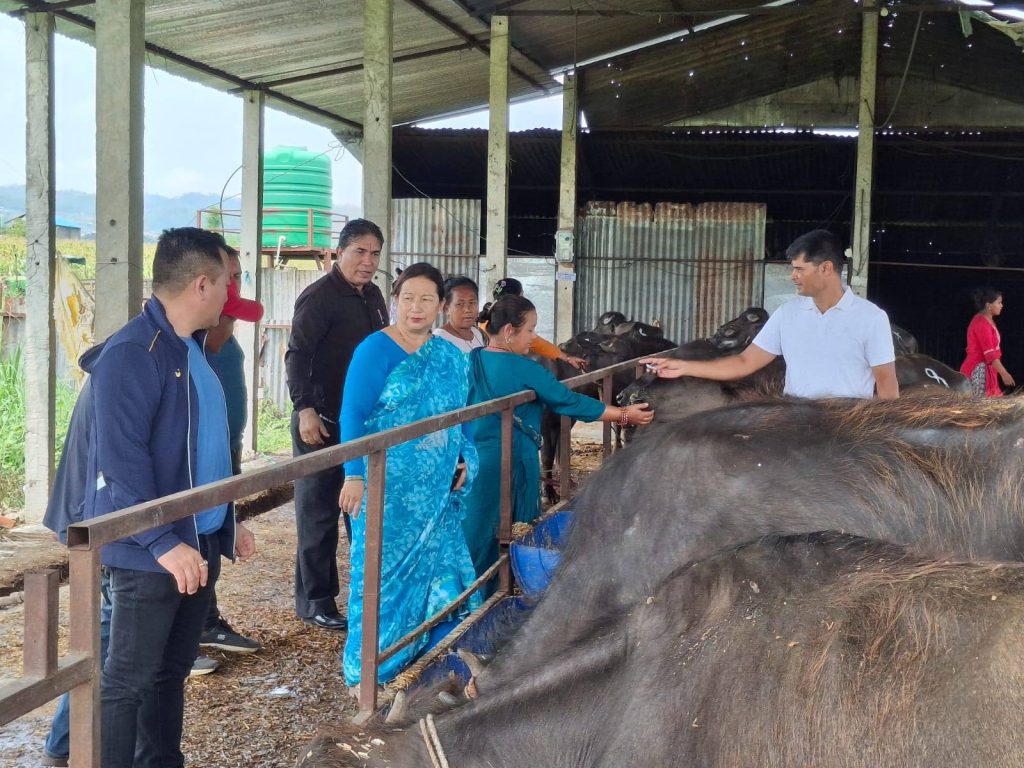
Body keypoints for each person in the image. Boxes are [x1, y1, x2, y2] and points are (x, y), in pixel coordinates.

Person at [84, 227, 257, 768]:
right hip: (150, 551)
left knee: (169, 673)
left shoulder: (192, 348)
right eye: (227, 283)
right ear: (202, 284)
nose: (231, 295)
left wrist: (227, 517)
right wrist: (162, 541)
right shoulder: (133, 353)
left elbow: (206, 447)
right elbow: (120, 462)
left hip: (196, 539)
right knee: (127, 681)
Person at [337, 262, 480, 689]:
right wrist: (354, 474)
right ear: (395, 301)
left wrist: (465, 456)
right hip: (386, 490)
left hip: (435, 492)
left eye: (426, 300)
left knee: (440, 573)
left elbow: (463, 415)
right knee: (379, 579)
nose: (416, 308)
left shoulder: (450, 357)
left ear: (440, 306)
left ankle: (428, 661)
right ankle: (371, 671)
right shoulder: (374, 350)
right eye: (408, 298)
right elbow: (353, 414)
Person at [463, 295, 655, 576]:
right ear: (508, 331)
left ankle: (474, 590)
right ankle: (508, 584)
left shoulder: (472, 359)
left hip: (476, 460)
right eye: (530, 330)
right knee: (517, 529)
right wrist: (624, 415)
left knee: (477, 529)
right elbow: (569, 401)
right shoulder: (525, 368)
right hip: (515, 461)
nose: (534, 338)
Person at [643, 229, 900, 400]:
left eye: (799, 269)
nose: (793, 276)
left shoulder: (870, 318)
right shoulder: (788, 314)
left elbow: (887, 387)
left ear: (826, 268)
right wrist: (684, 366)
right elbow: (744, 363)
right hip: (795, 424)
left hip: (846, 431)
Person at [285, 219, 389, 630]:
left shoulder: (374, 296)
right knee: (318, 513)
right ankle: (315, 601)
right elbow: (297, 355)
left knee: (359, 509)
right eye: (360, 251)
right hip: (322, 421)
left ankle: (365, 592)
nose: (368, 261)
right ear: (340, 251)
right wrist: (305, 408)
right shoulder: (319, 297)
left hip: (359, 423)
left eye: (375, 253)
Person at [192, 247, 265, 671]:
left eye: (238, 276)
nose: (233, 287)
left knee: (210, 540)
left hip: (222, 454)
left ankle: (203, 622)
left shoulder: (218, 342)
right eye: (228, 277)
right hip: (198, 464)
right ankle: (183, 638)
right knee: (191, 544)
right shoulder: (182, 352)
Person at [480, 277, 587, 369]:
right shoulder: (508, 329)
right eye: (530, 330)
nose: (532, 336)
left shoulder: (485, 322)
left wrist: (567, 358)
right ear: (508, 331)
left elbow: (537, 343)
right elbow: (538, 343)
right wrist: (567, 358)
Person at [959, 287, 1014, 397]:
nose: (1001, 305)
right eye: (999, 303)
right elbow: (990, 354)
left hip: (987, 369)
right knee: (979, 405)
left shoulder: (987, 320)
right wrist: (1004, 373)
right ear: (988, 305)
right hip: (978, 370)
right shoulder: (981, 323)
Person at [433, 276, 486, 353]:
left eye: (472, 303)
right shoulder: (439, 340)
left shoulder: (477, 333)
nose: (467, 310)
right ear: (446, 309)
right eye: (460, 304)